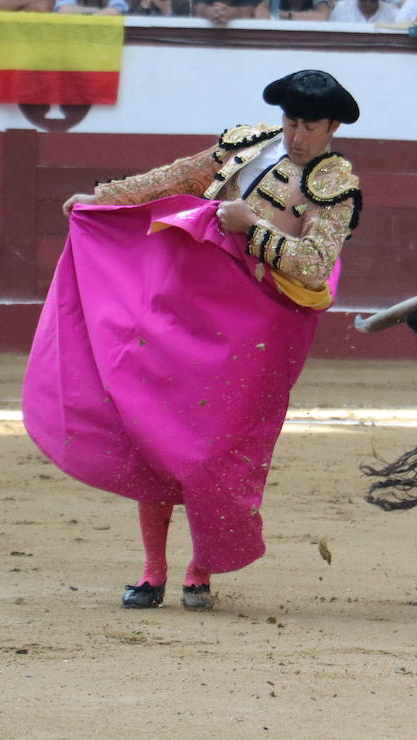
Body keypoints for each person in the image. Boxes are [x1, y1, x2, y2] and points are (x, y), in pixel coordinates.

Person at [36, 70, 363, 614]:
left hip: (254, 330)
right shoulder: (250, 145)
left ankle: (199, 570)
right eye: (290, 121)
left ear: (332, 126)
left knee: (212, 448)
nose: (295, 135)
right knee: (151, 429)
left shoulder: (335, 187)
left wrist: (251, 228)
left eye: (308, 126)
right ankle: (152, 571)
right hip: (187, 306)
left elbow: (314, 267)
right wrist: (101, 199)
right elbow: (173, 179)